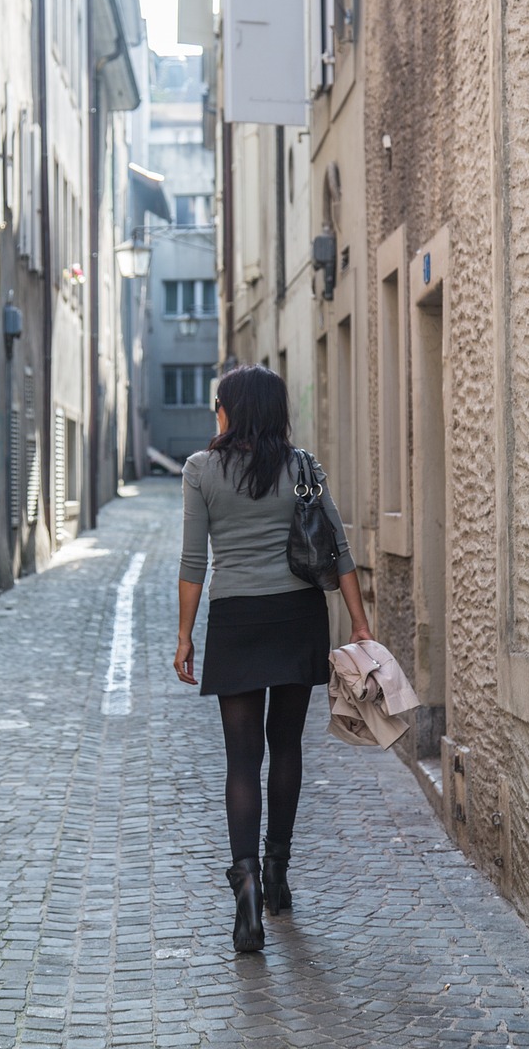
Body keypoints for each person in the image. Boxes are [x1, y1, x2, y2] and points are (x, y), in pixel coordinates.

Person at [174, 364, 374, 953]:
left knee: (242, 759)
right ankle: (277, 875)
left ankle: (246, 889)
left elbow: (192, 564)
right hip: (297, 617)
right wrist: (359, 622)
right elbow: (337, 548)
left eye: (219, 402)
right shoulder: (302, 469)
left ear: (232, 408)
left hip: (236, 620)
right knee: (286, 747)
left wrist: (186, 636)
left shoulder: (200, 471)